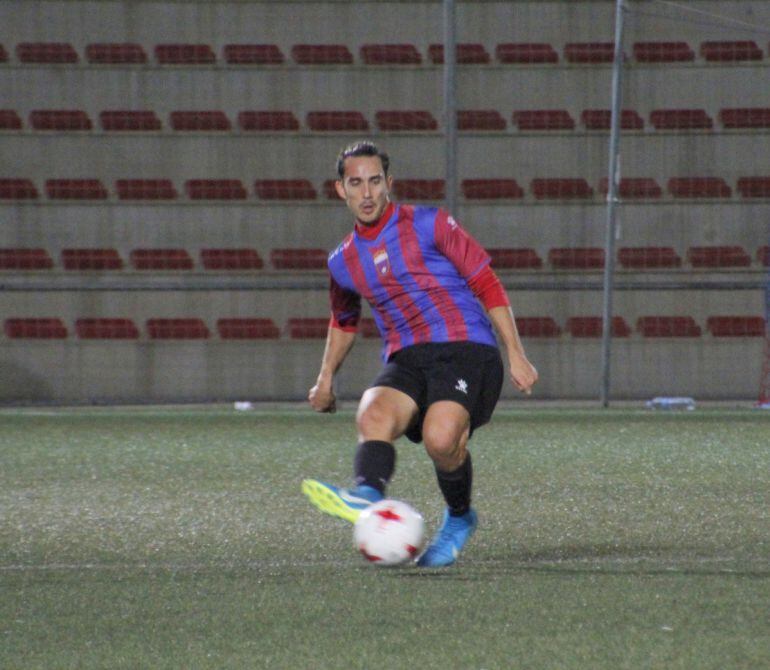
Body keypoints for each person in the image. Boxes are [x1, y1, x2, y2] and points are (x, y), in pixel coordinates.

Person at [302, 141, 538, 567]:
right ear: (341, 190)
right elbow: (343, 320)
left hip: (466, 348)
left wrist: (516, 352)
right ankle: (367, 494)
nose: (367, 193)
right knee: (372, 414)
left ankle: (460, 518)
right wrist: (325, 379)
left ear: (389, 184)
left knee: (441, 438)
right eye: (356, 183)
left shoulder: (430, 223)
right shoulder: (341, 262)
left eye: (375, 181)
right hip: (408, 358)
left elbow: (486, 281)